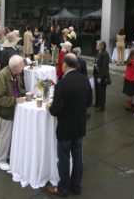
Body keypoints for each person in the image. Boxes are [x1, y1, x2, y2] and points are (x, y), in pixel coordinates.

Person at [45, 53, 92, 197]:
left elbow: (56, 110)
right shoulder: (84, 79)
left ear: (65, 64)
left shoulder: (62, 84)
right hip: (79, 125)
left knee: (64, 158)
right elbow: (89, 102)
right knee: (77, 157)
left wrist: (49, 107)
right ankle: (76, 186)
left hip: (66, 128)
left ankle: (63, 188)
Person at [0, 55, 25, 171]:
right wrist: (14, 100)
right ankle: (0, 160)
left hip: (14, 108)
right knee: (5, 136)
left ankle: (8, 156)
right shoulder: (3, 75)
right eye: (21, 64)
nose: (23, 66)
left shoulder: (16, 74)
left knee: (12, 135)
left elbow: (19, 89)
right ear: (15, 67)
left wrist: (26, 93)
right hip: (5, 111)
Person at [93, 40, 110, 111]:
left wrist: (100, 77)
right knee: (97, 89)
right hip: (96, 74)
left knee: (101, 91)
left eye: (97, 44)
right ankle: (97, 103)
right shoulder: (98, 53)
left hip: (102, 75)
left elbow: (104, 67)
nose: (96, 46)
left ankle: (101, 106)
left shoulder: (105, 54)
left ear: (101, 46)